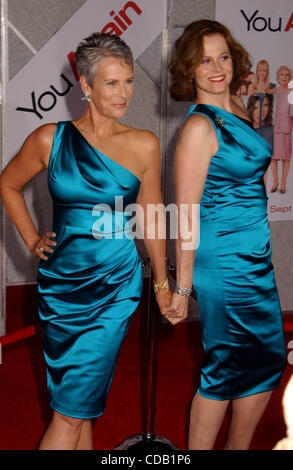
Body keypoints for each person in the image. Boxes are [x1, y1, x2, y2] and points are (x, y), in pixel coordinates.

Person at [0, 32, 171, 450]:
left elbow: (150, 217)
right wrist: (31, 238)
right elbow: (7, 184)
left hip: (115, 286)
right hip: (60, 288)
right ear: (86, 86)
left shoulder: (144, 144)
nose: (124, 93)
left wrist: (164, 285)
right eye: (112, 83)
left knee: (72, 410)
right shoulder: (49, 139)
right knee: (75, 405)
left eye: (128, 81)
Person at [167, 19, 287, 450]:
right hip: (223, 263)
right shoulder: (200, 128)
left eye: (221, 57)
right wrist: (182, 287)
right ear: (189, 70)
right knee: (225, 366)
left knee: (268, 358)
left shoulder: (236, 105)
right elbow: (185, 213)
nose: (216, 68)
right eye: (204, 61)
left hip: (253, 254)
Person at [268, 65, 293, 194]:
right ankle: (276, 182)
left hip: (287, 129)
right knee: (274, 157)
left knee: (286, 157)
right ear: (278, 77)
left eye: (286, 75)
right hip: (274, 128)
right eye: (281, 75)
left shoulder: (292, 93)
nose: (284, 77)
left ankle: (283, 183)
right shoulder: (274, 91)